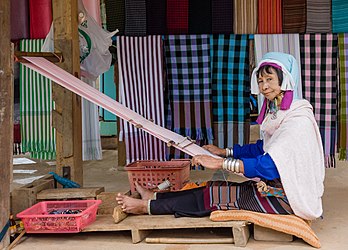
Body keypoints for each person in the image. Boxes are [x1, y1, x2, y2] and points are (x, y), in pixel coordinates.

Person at [116, 52, 325, 221]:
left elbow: (268, 165)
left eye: (270, 79)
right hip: (275, 188)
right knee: (214, 187)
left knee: (213, 196)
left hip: (287, 200)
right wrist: (224, 151)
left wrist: (221, 163)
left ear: (286, 80)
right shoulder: (283, 115)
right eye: (260, 80)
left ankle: (145, 207)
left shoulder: (297, 122)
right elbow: (263, 148)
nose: (263, 87)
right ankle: (154, 196)